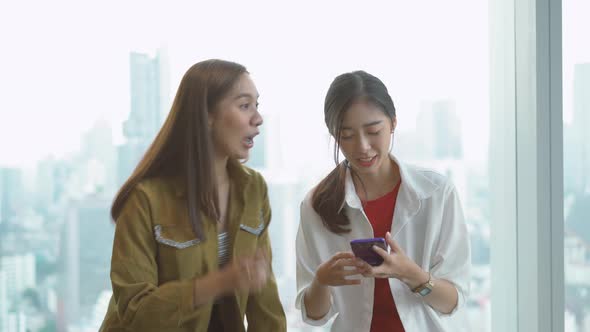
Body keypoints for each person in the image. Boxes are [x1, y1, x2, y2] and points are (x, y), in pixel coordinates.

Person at [100, 59, 286, 332]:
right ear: (206, 115)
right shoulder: (145, 200)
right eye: (245, 106)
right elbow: (135, 312)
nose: (257, 118)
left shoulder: (253, 188)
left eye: (256, 106)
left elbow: (265, 304)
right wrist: (218, 283)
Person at [295, 70, 471, 331]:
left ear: (393, 123)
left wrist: (410, 273)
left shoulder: (436, 193)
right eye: (347, 135)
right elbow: (315, 316)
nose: (362, 146)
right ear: (334, 135)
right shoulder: (317, 205)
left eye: (373, 131)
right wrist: (321, 281)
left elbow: (452, 302)